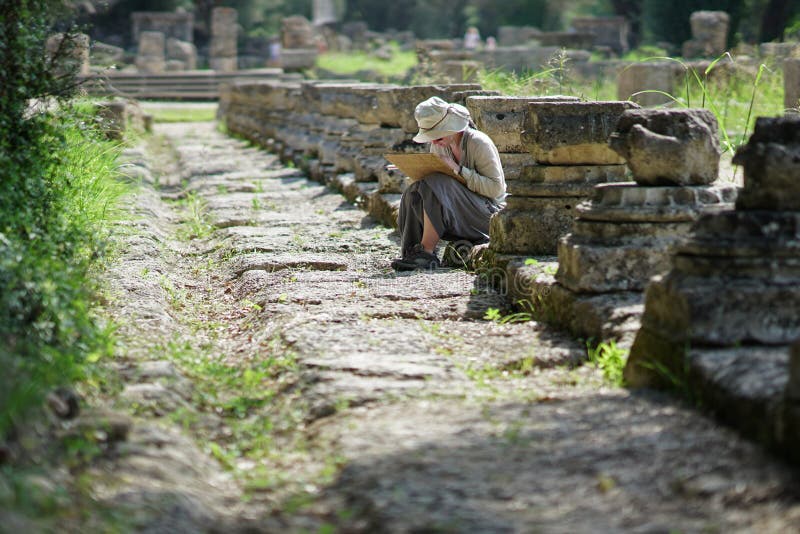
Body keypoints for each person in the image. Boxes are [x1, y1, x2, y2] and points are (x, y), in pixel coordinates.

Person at [391, 96, 506, 271]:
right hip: (457, 211)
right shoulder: (440, 145)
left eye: (437, 135)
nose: (434, 142)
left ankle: (427, 252)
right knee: (414, 190)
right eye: (430, 137)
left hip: (488, 214)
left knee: (435, 181)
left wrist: (457, 169)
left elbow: (495, 189)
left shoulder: (478, 143)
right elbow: (431, 188)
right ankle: (414, 252)